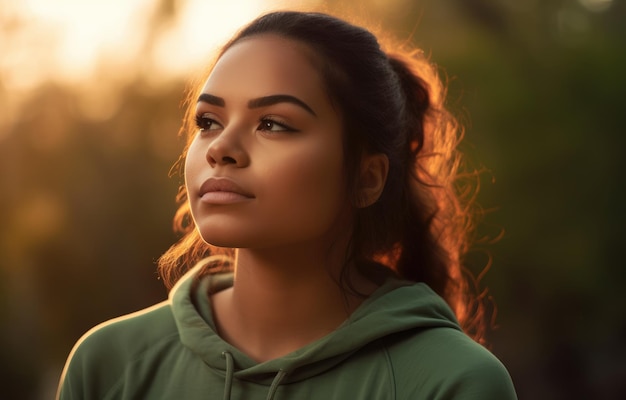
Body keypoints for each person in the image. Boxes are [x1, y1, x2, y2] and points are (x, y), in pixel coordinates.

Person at [57, 10, 517, 400]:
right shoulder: (109, 364)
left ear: (367, 177)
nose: (222, 148)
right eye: (209, 121)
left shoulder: (451, 382)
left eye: (273, 124)